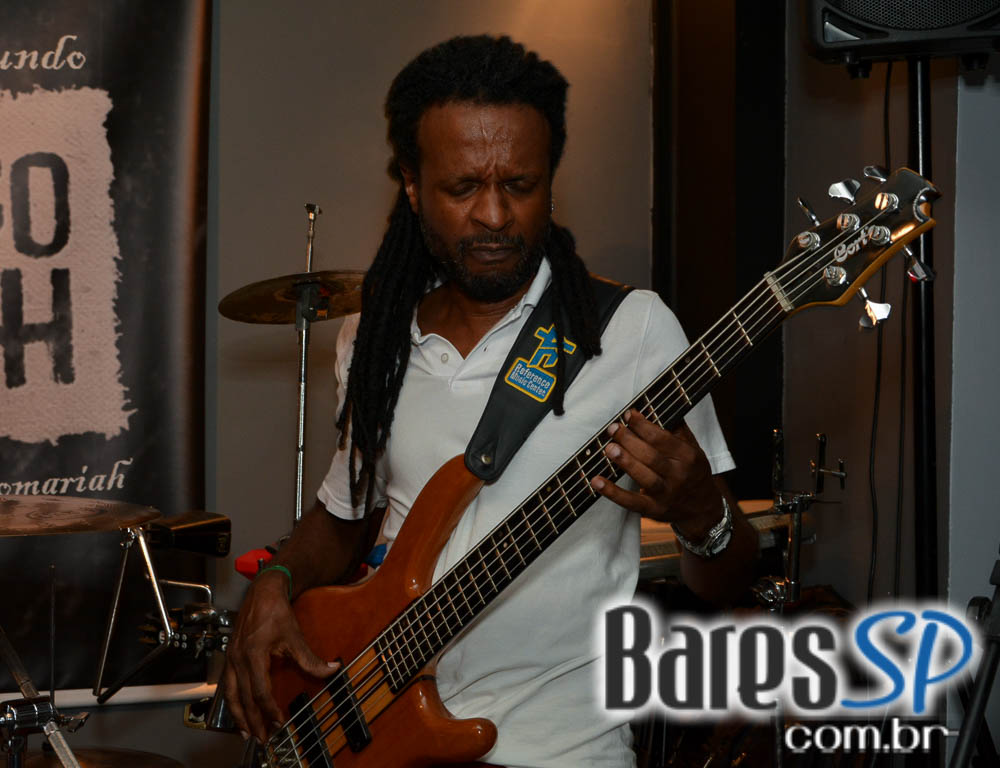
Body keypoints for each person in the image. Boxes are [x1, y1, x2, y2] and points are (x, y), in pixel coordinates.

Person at [223, 34, 757, 768]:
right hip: (384, 733)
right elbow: (345, 516)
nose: (496, 215)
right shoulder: (374, 339)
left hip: (564, 751)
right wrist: (277, 581)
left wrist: (701, 511)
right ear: (413, 186)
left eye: (521, 184)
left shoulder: (631, 333)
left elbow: (729, 582)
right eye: (463, 187)